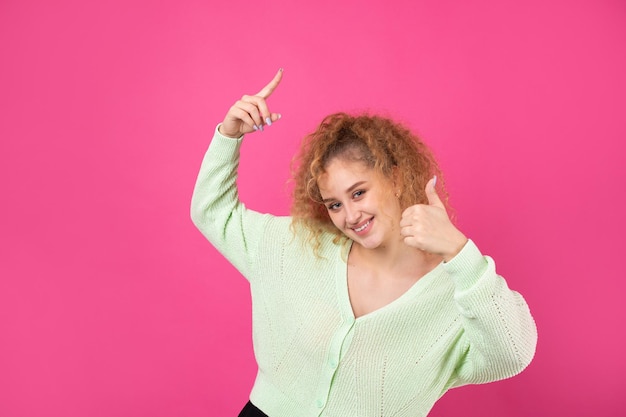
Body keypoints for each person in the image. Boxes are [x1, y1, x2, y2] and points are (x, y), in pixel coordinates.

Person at [190, 69, 537, 417]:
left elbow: (513, 353)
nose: (351, 215)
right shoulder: (297, 248)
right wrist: (229, 135)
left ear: (396, 177)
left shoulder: (456, 293)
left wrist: (460, 253)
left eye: (359, 193)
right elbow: (213, 212)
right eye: (335, 204)